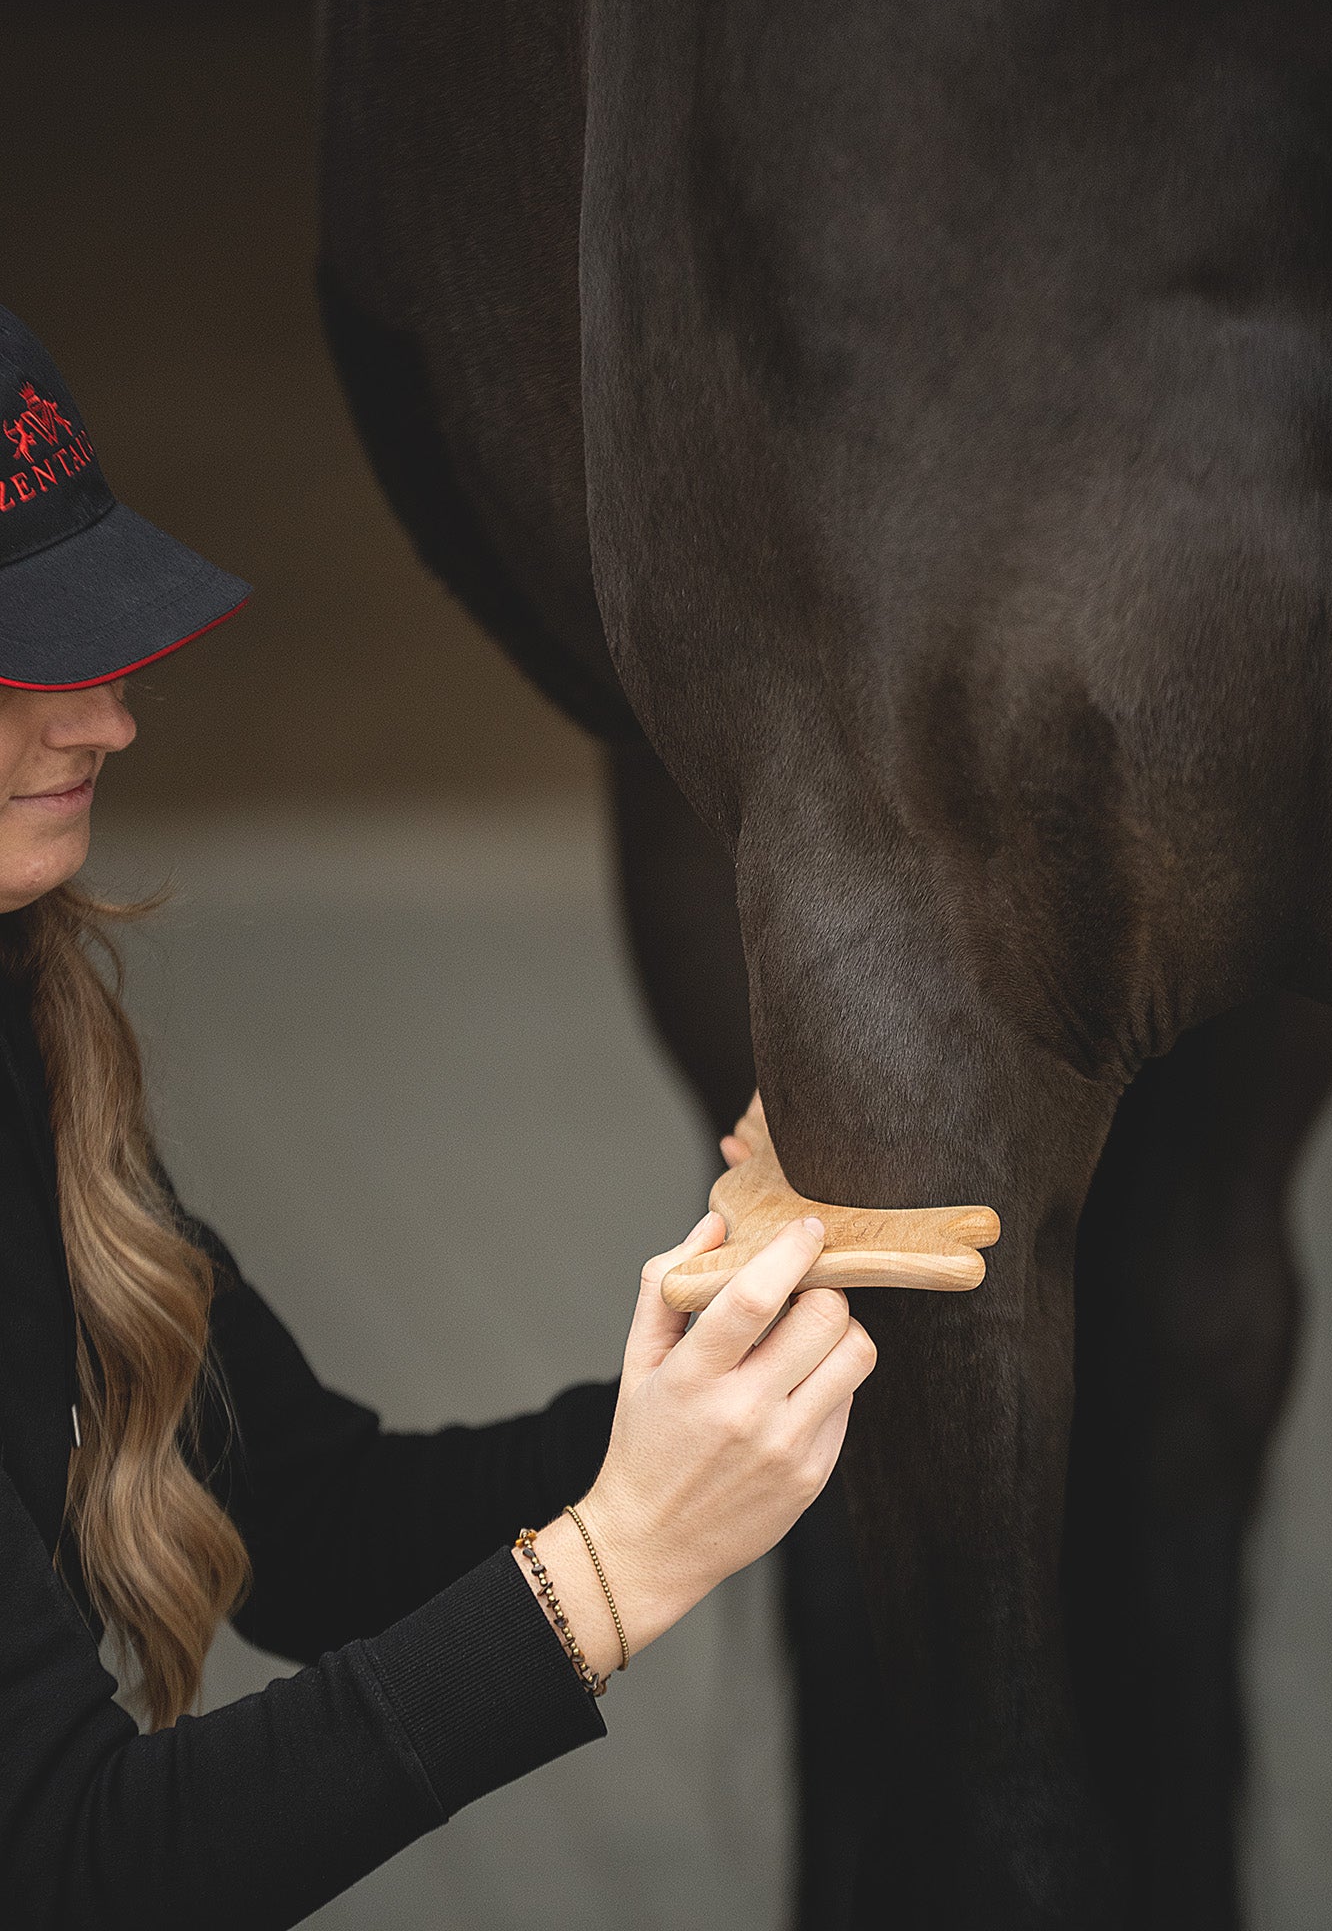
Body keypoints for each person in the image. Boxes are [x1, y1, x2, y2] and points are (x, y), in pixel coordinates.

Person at [0, 305, 877, 1929]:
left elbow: (311, 1520)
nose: (110, 718)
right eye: (27, 659)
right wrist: (612, 1570)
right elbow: (70, 1868)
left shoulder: (22, 1019)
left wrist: (732, 1381)